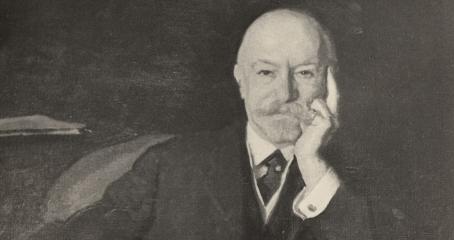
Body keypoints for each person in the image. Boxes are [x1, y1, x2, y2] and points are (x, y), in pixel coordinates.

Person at [32, 8, 410, 240]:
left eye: (305, 73)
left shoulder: (360, 180)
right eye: (265, 72)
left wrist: (313, 166)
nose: (285, 92)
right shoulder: (170, 166)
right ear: (240, 80)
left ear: (329, 82)